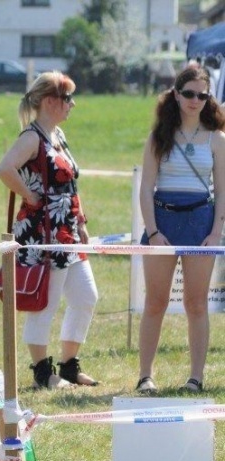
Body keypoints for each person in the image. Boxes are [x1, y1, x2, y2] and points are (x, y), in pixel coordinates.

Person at [0, 71, 98, 389]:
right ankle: (43, 373)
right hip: (43, 234)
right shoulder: (31, 137)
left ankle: (69, 366)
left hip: (67, 232)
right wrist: (28, 194)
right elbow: (5, 168)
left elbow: (70, 183)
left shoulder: (58, 136)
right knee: (45, 302)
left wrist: (80, 221)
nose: (73, 104)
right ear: (51, 101)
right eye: (68, 99)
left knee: (86, 297)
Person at [136, 65, 225, 393]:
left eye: (203, 95)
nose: (195, 100)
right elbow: (146, 188)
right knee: (156, 301)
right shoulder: (159, 135)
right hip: (163, 221)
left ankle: (196, 378)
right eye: (189, 93)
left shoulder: (217, 139)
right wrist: (154, 230)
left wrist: (216, 232)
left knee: (197, 303)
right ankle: (145, 375)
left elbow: (223, 192)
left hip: (201, 222)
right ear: (176, 93)